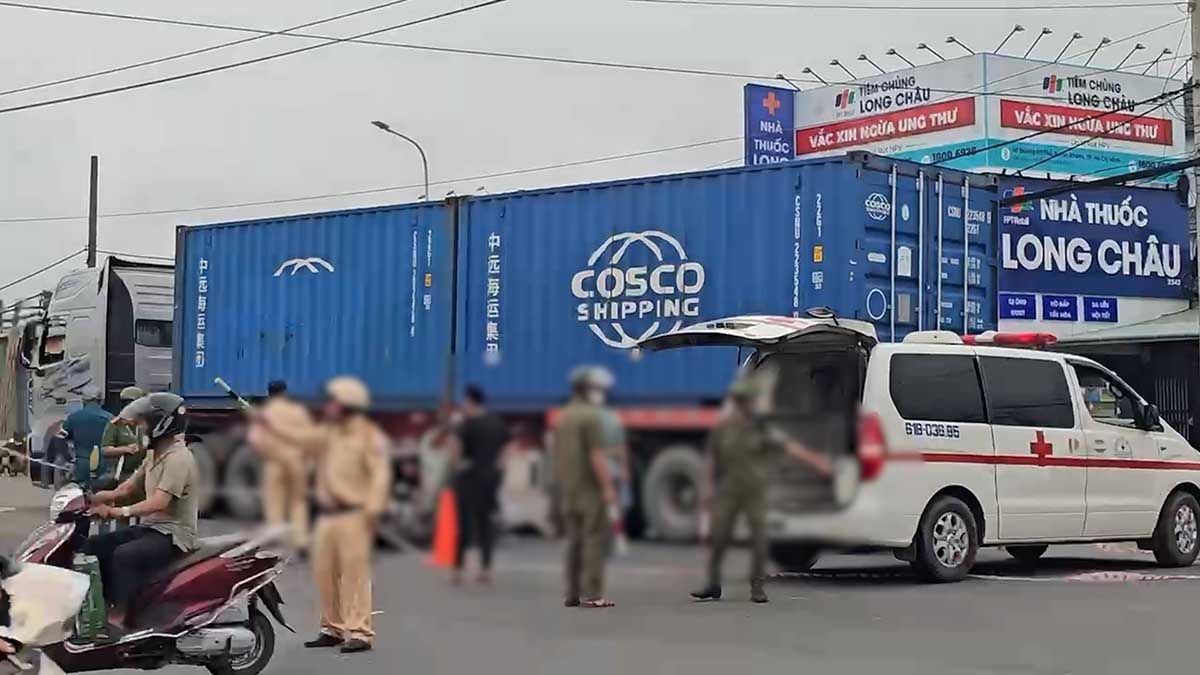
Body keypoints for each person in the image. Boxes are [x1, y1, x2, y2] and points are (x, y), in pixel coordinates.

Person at [254, 376, 391, 654]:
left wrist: (374, 513)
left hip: (355, 515)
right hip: (327, 516)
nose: (329, 406)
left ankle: (360, 632)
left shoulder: (369, 436)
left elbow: (380, 477)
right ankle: (333, 628)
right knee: (324, 573)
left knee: (354, 576)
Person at [691, 376, 833, 604]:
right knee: (718, 536)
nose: (746, 405)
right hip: (728, 490)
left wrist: (818, 463)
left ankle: (757, 587)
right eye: (743, 401)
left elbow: (790, 448)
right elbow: (711, 459)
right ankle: (712, 584)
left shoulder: (761, 429)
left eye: (748, 401)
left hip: (754, 491)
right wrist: (707, 490)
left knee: (759, 540)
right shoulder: (723, 429)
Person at [84, 393, 199, 634]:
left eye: (144, 422)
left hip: (174, 534)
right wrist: (93, 498)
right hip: (152, 528)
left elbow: (159, 501)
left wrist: (116, 512)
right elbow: (128, 487)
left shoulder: (178, 458)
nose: (140, 428)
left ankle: (121, 619)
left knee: (125, 556)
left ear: (162, 424)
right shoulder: (153, 454)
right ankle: (104, 605)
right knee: (94, 546)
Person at [554, 366, 620, 609]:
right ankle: (592, 594)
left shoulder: (563, 416)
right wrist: (608, 486)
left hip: (569, 487)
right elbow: (596, 455)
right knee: (594, 538)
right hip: (588, 488)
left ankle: (571, 593)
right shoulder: (590, 417)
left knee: (573, 541)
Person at [449, 385, 509, 585]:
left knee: (463, 525)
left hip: (468, 479)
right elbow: (507, 448)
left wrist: (456, 466)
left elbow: (455, 450)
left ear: (469, 400)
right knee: (485, 524)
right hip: (489, 478)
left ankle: (458, 570)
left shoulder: (464, 424)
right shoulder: (497, 422)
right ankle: (486, 570)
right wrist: (499, 469)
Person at [247, 380, 315, 554]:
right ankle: (301, 540)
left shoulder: (264, 414)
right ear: (285, 393)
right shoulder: (297, 411)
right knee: (298, 501)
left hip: (274, 461)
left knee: (274, 501)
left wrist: (268, 451)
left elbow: (255, 439)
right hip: (295, 460)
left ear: (269, 394)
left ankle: (277, 538)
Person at [61, 388, 112, 488]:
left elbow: (62, 438)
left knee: (79, 493)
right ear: (101, 401)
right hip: (103, 465)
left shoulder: (73, 417)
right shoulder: (110, 418)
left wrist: (68, 458)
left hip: (81, 464)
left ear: (83, 401)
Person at [101, 387, 147, 481]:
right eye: (125, 403)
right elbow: (105, 450)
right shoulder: (115, 424)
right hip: (124, 473)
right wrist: (125, 449)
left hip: (145, 472)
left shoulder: (147, 423)